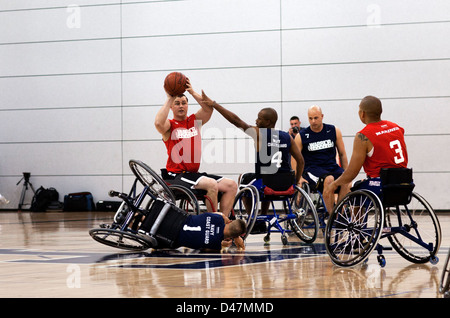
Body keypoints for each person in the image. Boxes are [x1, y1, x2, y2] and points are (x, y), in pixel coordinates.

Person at [154, 79, 237, 214]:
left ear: (187, 105)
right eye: (177, 103)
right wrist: (169, 98)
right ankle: (212, 223)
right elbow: (158, 123)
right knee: (211, 184)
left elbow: (208, 108)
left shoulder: (194, 121)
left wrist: (191, 92)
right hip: (176, 175)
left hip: (193, 175)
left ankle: (224, 225)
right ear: (171, 107)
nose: (181, 106)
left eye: (184, 103)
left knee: (231, 185)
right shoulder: (170, 125)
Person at [200, 91, 305, 197]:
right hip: (285, 184)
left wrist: (214, 104)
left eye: (259, 118)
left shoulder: (259, 134)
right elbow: (300, 161)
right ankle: (263, 210)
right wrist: (295, 181)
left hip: (265, 183)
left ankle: (251, 212)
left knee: (243, 178)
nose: (256, 121)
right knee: (267, 180)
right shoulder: (287, 137)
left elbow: (236, 121)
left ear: (268, 122)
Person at [324, 95, 408, 200]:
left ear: (362, 114)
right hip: (404, 182)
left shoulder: (363, 136)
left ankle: (355, 217)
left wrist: (334, 184)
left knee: (351, 187)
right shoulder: (396, 127)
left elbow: (352, 173)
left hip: (380, 185)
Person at [295, 105, 349, 214]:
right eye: (310, 118)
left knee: (347, 181)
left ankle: (340, 215)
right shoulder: (301, 136)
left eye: (316, 118)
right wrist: (298, 178)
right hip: (313, 169)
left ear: (322, 116)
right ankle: (331, 217)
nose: (313, 121)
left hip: (331, 167)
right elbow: (294, 158)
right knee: (329, 179)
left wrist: (347, 173)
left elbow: (342, 154)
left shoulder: (333, 130)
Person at [175, 212, 246, 252]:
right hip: (172, 238)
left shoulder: (218, 218)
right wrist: (224, 243)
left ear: (230, 221)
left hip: (176, 217)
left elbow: (221, 214)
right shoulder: (216, 245)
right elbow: (205, 249)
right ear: (232, 236)